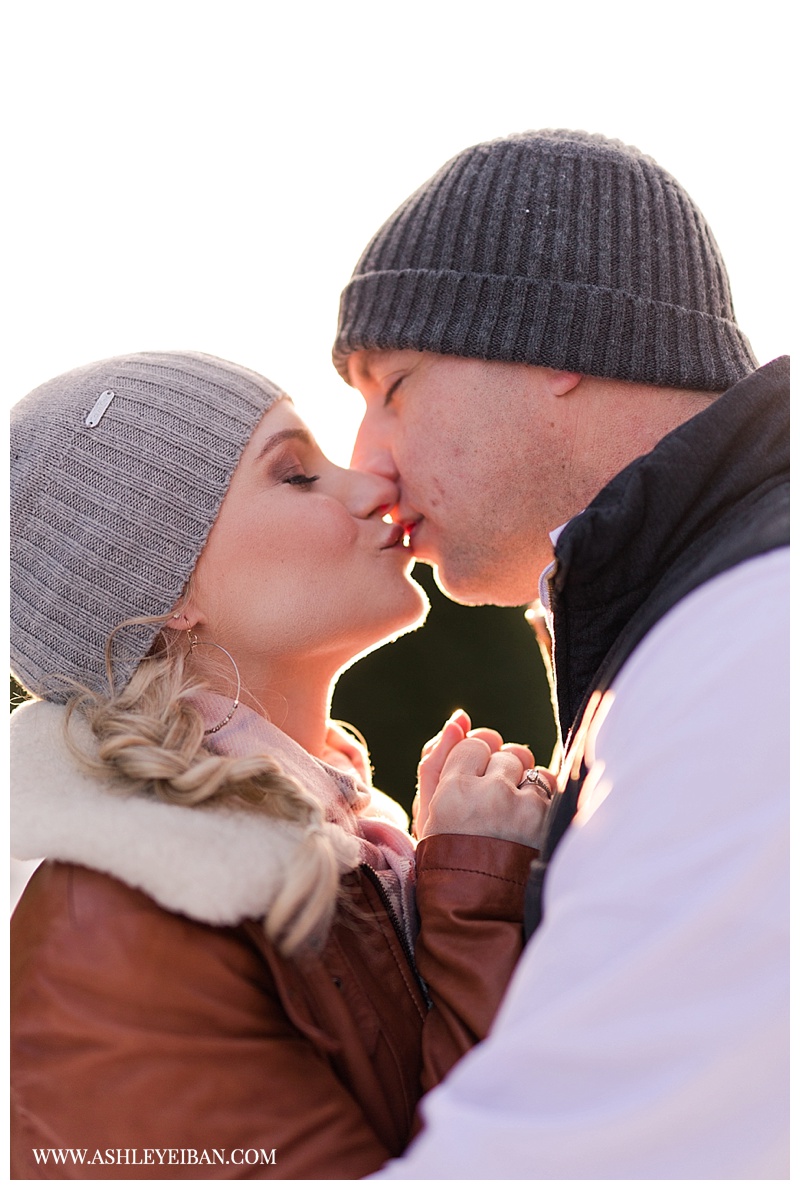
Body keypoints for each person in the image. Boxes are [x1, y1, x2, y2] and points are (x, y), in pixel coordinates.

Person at [332, 129, 790, 1178]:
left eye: (391, 384)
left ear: (557, 342)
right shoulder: (686, 614)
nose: (366, 460)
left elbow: (572, 1149)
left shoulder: (749, 631)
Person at [10, 351, 553, 1180]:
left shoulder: (349, 844)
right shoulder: (118, 928)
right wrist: (473, 899)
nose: (375, 485)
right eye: (297, 475)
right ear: (166, 593)